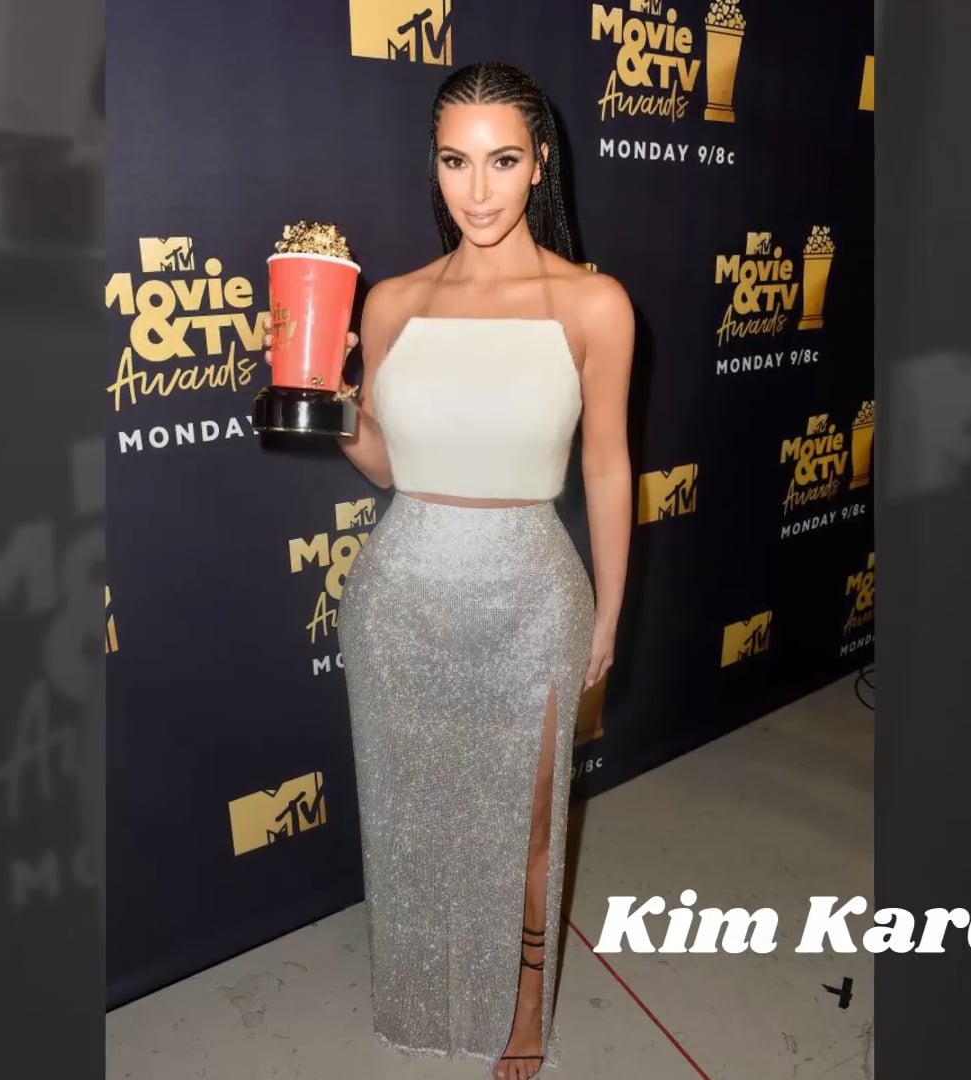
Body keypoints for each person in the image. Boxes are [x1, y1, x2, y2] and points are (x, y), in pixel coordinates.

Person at [317, 60, 633, 1079]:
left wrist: (609, 613)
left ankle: (524, 1008)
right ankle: (424, 991)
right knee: (411, 821)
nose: (479, 188)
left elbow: (607, 465)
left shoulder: (593, 303)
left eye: (502, 160)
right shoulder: (392, 302)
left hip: (534, 597)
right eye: (456, 162)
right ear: (435, 167)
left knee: (531, 827)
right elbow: (385, 463)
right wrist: (329, 401)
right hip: (400, 595)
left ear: (540, 164)